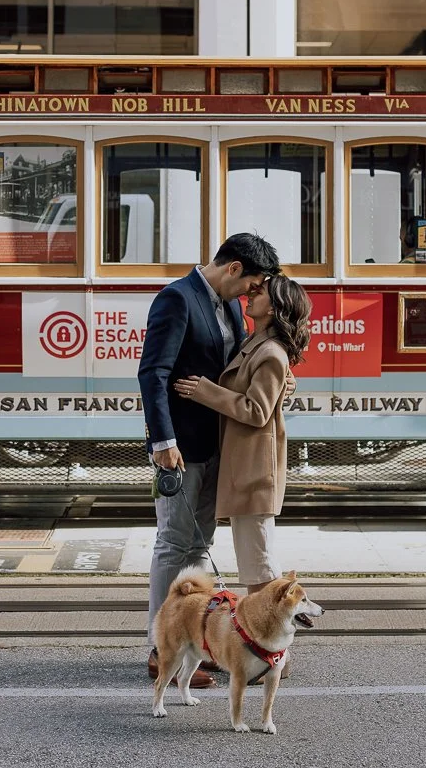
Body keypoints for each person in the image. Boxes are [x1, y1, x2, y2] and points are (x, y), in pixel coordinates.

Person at [138, 233, 280, 688]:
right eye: (252, 284)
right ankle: (160, 651)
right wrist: (162, 439)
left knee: (198, 547)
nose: (251, 295)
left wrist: (284, 383)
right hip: (180, 448)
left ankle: (189, 647)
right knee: (173, 542)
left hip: (218, 445)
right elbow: (153, 373)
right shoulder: (176, 299)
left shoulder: (225, 305)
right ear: (234, 268)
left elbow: (238, 368)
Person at [173, 273, 311, 602]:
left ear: (275, 309)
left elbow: (256, 410)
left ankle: (273, 643)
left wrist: (205, 392)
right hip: (246, 470)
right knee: (253, 561)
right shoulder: (254, 344)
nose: (250, 295)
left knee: (258, 564)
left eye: (259, 293)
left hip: (254, 473)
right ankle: (268, 641)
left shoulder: (270, 352)